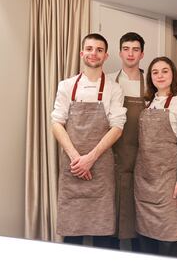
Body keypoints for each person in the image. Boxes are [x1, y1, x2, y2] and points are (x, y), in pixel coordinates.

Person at [51, 33, 126, 248]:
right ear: (82, 53)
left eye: (99, 50)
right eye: (90, 49)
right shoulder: (66, 86)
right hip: (73, 168)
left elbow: (117, 128)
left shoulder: (114, 88)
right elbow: (57, 123)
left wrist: (90, 159)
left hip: (100, 168)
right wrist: (77, 159)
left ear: (106, 55)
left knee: (103, 235)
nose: (94, 53)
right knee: (72, 234)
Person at [134, 56, 177, 257]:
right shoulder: (148, 103)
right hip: (143, 182)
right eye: (155, 72)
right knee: (146, 240)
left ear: (173, 74)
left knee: (170, 239)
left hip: (169, 182)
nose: (160, 75)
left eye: (165, 71)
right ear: (150, 77)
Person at [108, 32, 146, 251]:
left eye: (135, 49)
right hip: (114, 157)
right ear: (120, 52)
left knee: (139, 216)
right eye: (126, 49)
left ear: (142, 53)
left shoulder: (151, 83)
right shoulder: (110, 81)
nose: (130, 53)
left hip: (143, 159)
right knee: (113, 216)